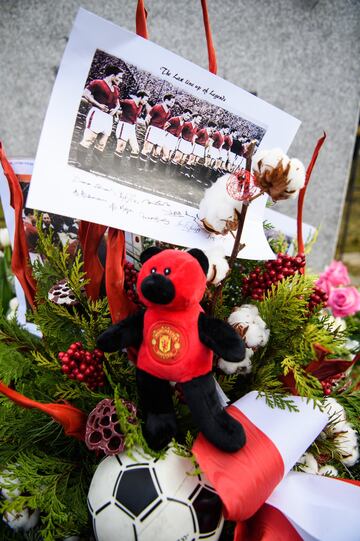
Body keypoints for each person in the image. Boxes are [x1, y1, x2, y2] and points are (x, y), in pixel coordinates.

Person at [76, 65, 123, 170]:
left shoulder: (116, 89)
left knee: (102, 143)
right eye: (119, 77)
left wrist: (114, 111)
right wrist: (98, 104)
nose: (121, 80)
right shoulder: (98, 83)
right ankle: (80, 163)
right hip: (97, 113)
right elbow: (86, 93)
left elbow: (118, 104)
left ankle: (95, 166)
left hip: (108, 118)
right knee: (89, 139)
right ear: (112, 75)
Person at [113, 90, 150, 169]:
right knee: (121, 147)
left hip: (131, 127)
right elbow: (117, 101)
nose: (146, 102)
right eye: (145, 100)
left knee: (136, 149)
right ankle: (115, 167)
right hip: (124, 125)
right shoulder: (129, 102)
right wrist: (115, 112)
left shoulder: (140, 106)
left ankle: (132, 170)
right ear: (140, 97)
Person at [140, 94, 175, 168]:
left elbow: (165, 123)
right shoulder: (157, 107)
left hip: (161, 132)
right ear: (166, 100)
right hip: (153, 129)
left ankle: (150, 170)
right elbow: (147, 118)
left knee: (157, 152)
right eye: (171, 101)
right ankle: (140, 168)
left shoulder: (169, 112)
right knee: (147, 149)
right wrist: (149, 128)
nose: (173, 104)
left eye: (173, 102)